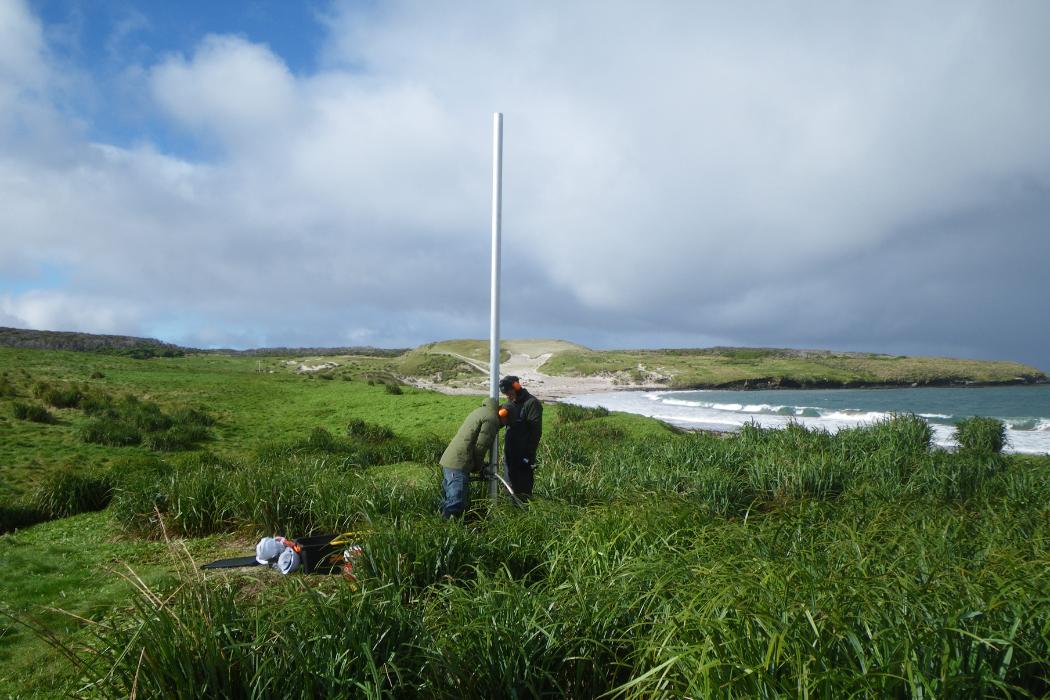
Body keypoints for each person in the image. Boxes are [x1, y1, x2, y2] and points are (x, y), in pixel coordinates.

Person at [438, 397, 509, 518]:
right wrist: (478, 466)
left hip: (452, 459)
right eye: (507, 422)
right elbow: (480, 447)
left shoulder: (481, 411)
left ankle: (440, 524)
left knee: (449, 500)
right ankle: (446, 530)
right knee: (456, 502)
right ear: (503, 414)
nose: (505, 425)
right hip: (458, 463)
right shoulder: (492, 419)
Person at [499, 375, 543, 500]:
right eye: (505, 393)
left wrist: (528, 455)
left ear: (517, 387)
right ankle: (511, 512)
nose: (507, 395)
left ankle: (523, 515)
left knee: (523, 490)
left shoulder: (532, 403)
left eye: (509, 392)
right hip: (509, 455)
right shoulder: (510, 402)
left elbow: (536, 433)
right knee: (509, 488)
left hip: (524, 456)